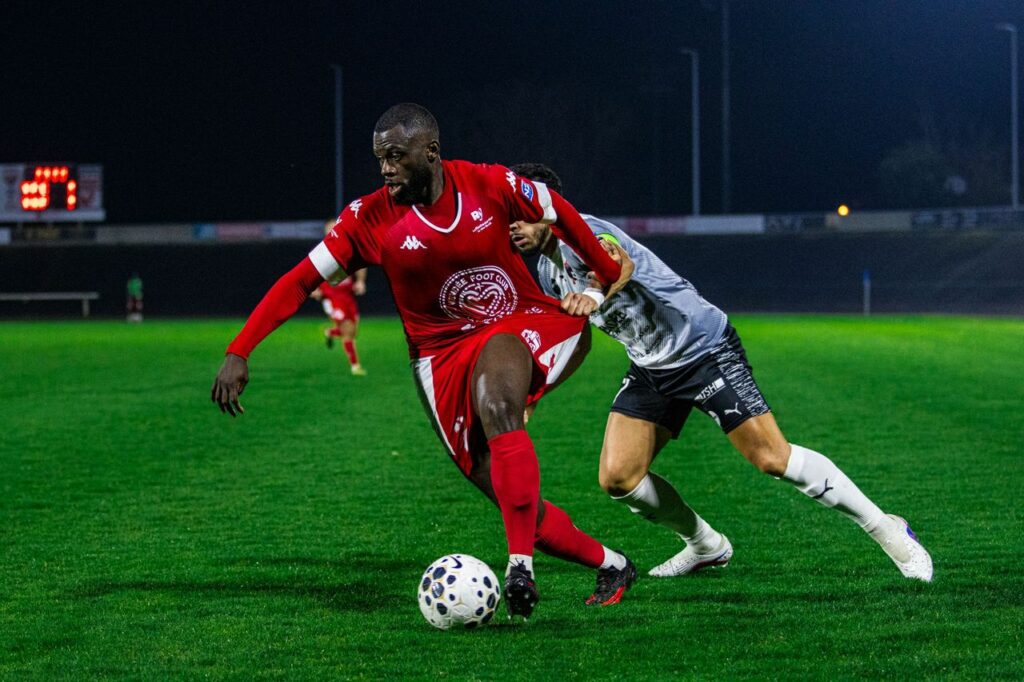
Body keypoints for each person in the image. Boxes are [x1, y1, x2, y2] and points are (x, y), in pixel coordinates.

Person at [211, 104, 638, 619]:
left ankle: (518, 565)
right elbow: (302, 279)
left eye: (395, 156)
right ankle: (612, 564)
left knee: (499, 403)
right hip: (440, 361)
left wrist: (599, 273)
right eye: (379, 159)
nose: (385, 168)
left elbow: (557, 209)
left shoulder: (488, 184)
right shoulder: (368, 219)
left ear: (430, 153)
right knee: (507, 493)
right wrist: (240, 348)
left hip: (515, 323)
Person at [509, 163, 933, 582]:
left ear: (550, 207)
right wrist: (535, 393)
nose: (515, 225)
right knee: (618, 477)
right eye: (510, 214)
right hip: (651, 366)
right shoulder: (547, 272)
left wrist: (593, 291)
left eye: (524, 213)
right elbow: (578, 340)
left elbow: (615, 263)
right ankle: (705, 545)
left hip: (704, 349)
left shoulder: (586, 232)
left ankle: (886, 528)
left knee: (771, 458)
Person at [310, 221, 368, 375]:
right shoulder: (321, 252)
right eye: (330, 229)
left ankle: (329, 332)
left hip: (348, 296)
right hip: (332, 298)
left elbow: (362, 264)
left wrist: (360, 281)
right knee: (348, 331)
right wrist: (314, 289)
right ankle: (355, 366)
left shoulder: (349, 249)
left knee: (353, 331)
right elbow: (311, 271)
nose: (333, 231)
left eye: (336, 227)